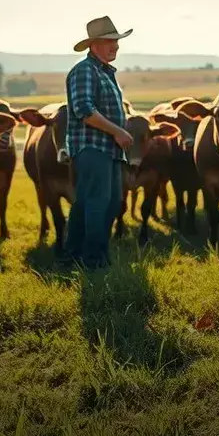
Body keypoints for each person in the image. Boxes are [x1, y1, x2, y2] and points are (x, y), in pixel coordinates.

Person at [62, 16, 135, 269]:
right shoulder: (85, 70)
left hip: (107, 150)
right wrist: (117, 131)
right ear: (93, 45)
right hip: (93, 148)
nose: (115, 46)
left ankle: (75, 256)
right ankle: (94, 262)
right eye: (109, 41)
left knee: (103, 203)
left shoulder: (103, 71)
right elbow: (84, 109)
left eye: (116, 41)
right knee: (98, 204)